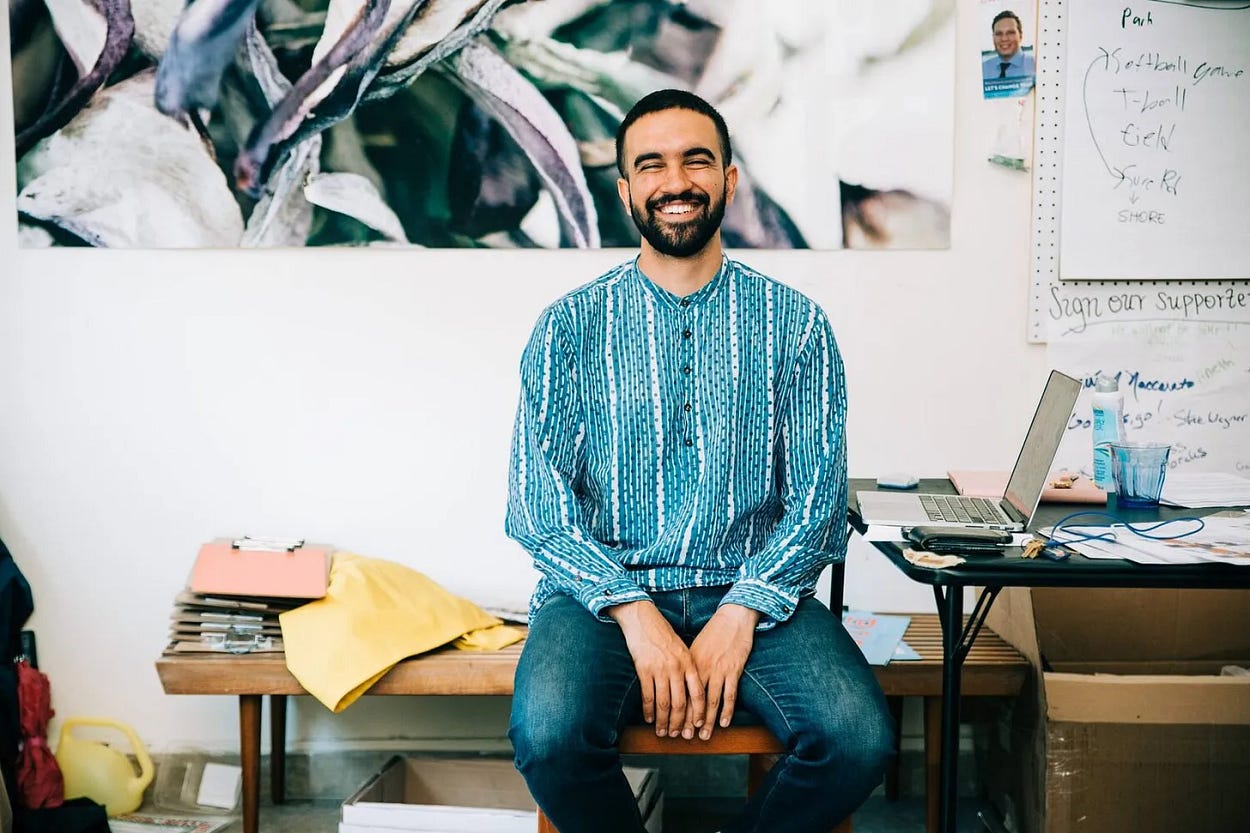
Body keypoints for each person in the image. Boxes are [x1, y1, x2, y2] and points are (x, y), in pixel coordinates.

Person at [505, 88, 893, 833]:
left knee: (856, 739)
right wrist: (634, 612)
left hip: (755, 590)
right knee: (549, 738)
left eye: (696, 160)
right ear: (625, 189)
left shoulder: (796, 325)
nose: (675, 181)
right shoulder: (568, 327)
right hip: (598, 597)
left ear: (729, 180)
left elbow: (818, 502)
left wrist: (743, 609)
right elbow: (537, 506)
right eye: (651, 165)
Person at [982, 10, 1035, 80]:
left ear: (1020, 35)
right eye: (999, 34)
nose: (1004, 39)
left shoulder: (1035, 66)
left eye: (1010, 33)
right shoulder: (983, 69)